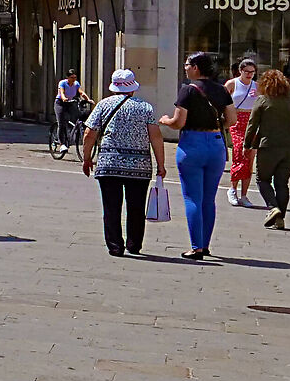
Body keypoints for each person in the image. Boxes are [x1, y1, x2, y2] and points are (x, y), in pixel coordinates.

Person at [81, 67, 164, 256]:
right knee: (136, 207)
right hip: (139, 165)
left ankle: (115, 246)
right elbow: (156, 137)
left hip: (109, 164)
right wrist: (161, 164)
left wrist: (87, 159)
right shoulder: (145, 107)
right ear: (133, 88)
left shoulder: (103, 105)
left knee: (111, 207)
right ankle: (134, 245)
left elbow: (89, 134)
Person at [159, 50, 231, 260]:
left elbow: (178, 122)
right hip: (216, 144)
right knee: (209, 199)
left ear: (196, 68)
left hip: (192, 143)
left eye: (188, 65)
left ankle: (196, 247)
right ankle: (206, 245)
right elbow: (232, 119)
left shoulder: (187, 91)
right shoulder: (221, 90)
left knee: (192, 197)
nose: (185, 69)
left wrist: (164, 121)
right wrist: (215, 126)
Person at [243, 68, 290, 229]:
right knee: (282, 183)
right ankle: (280, 220)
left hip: (269, 146)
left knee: (262, 180)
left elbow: (252, 125)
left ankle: (273, 207)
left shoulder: (263, 100)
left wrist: (247, 145)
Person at [226, 57, 261, 206]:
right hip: (236, 120)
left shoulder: (257, 86)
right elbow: (222, 101)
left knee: (250, 157)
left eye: (252, 72)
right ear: (240, 71)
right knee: (239, 153)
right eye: (247, 72)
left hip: (251, 122)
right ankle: (233, 189)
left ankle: (244, 194)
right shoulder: (232, 84)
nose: (249, 75)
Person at [54, 71, 88, 158]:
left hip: (70, 102)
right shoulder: (62, 83)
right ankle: (61, 143)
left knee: (76, 117)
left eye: (75, 77)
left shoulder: (76, 84)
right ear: (68, 77)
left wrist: (88, 99)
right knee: (61, 123)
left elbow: (81, 92)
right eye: (72, 77)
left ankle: (73, 134)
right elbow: (61, 92)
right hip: (60, 103)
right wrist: (64, 98)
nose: (74, 79)